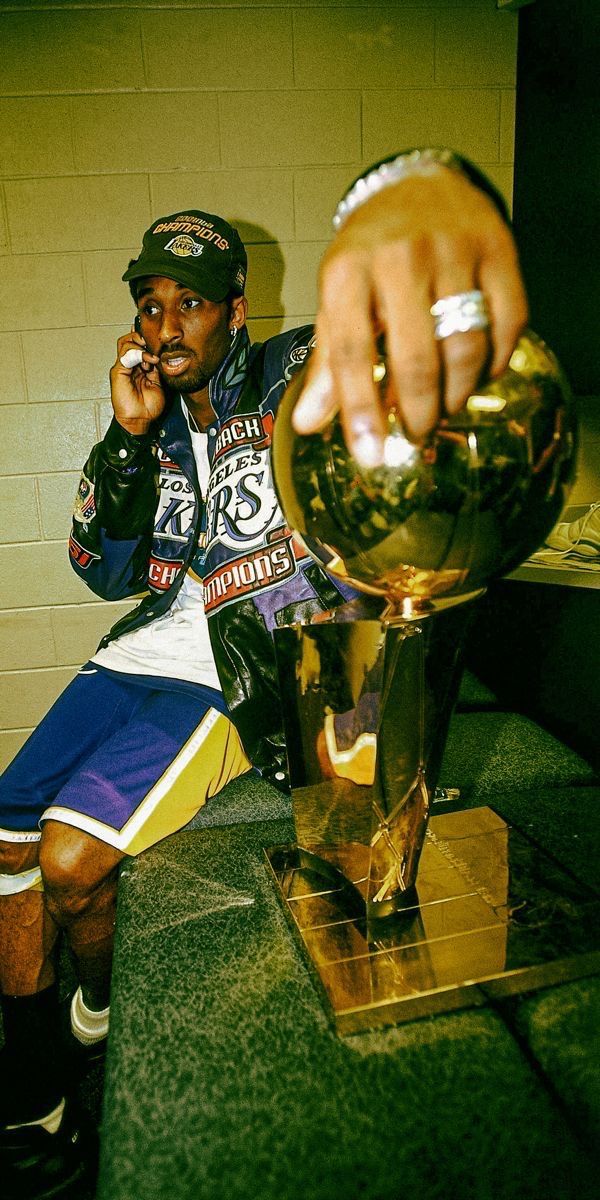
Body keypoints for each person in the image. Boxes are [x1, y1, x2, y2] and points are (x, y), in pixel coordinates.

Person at [0, 148, 527, 1198]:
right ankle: (53, 1065)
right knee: (7, 841)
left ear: (234, 312)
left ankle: (77, 1049)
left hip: (235, 669)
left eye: (188, 304)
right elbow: (97, 568)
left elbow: (381, 350)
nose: (164, 327)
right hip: (137, 648)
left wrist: (425, 217)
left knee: (68, 864)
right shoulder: (147, 423)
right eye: (150, 305)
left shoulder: (289, 376)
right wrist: (124, 433)